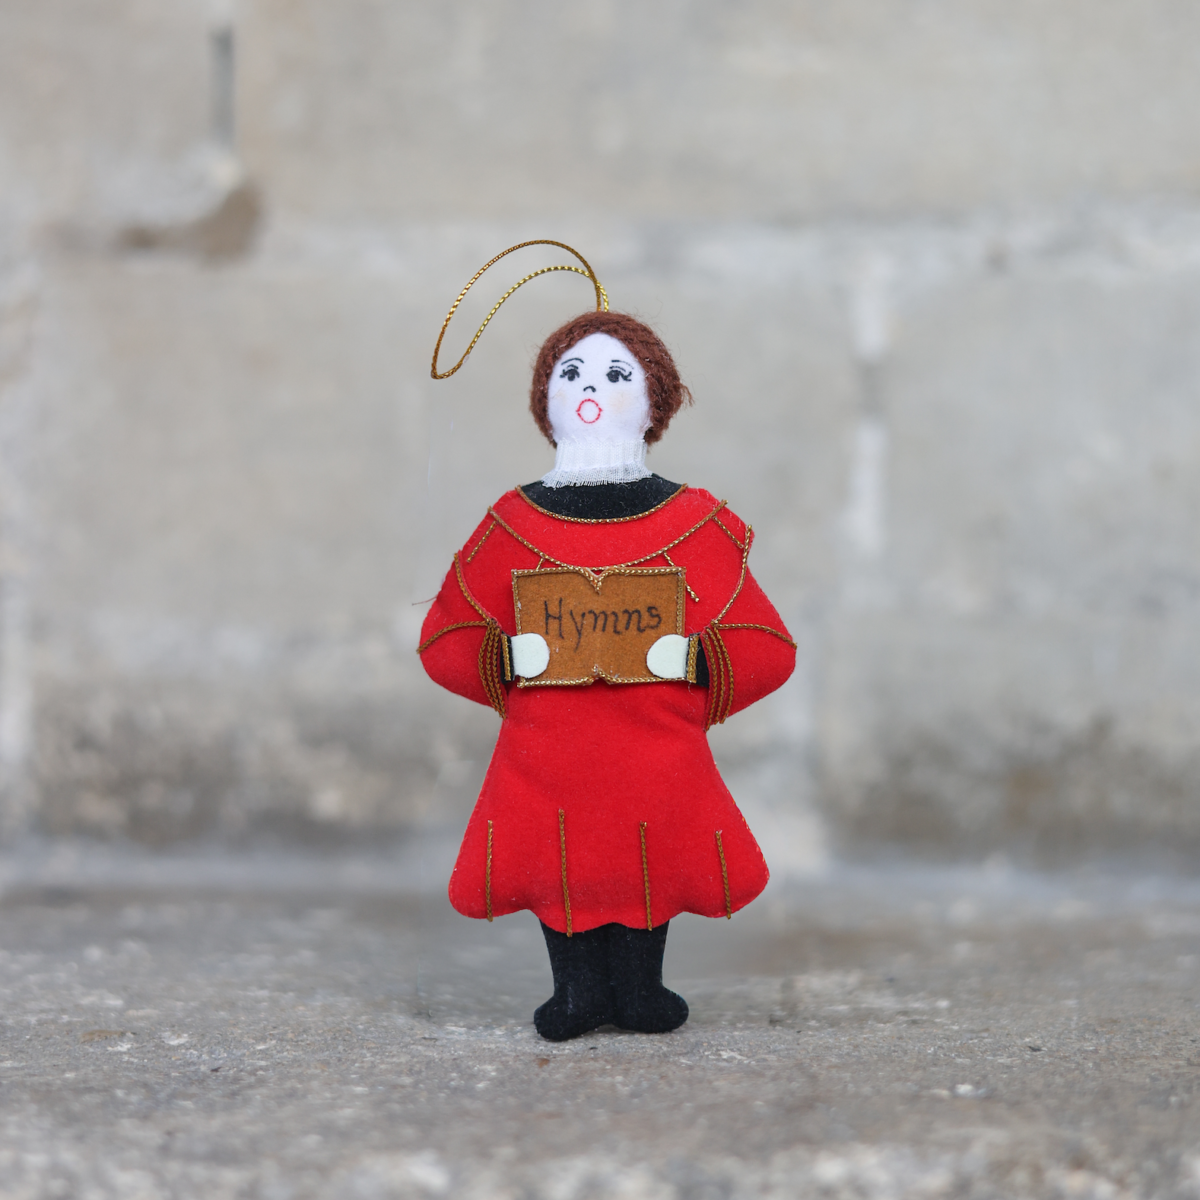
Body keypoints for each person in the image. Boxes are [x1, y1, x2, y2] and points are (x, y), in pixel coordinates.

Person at [419, 310, 796, 1041]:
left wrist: (694, 660)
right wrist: (502, 659)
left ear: (655, 400)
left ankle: (641, 988)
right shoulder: (511, 523)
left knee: (643, 863)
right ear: (545, 401)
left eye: (616, 375)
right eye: (573, 374)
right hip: (546, 759)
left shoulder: (695, 522)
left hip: (657, 755)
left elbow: (765, 644)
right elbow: (446, 636)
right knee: (559, 871)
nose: (592, 388)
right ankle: (577, 994)